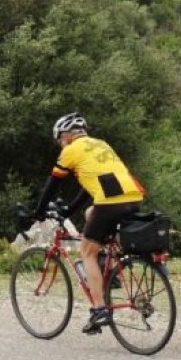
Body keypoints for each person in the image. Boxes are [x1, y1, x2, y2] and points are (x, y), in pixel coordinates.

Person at [33, 113, 144, 334]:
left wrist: (38, 212)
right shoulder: (101, 144)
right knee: (90, 213)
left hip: (110, 203)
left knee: (87, 252)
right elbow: (90, 185)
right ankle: (117, 275)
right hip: (133, 198)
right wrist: (69, 210)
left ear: (66, 135)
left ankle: (99, 310)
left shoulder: (70, 150)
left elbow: (51, 185)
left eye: (60, 139)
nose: (60, 143)